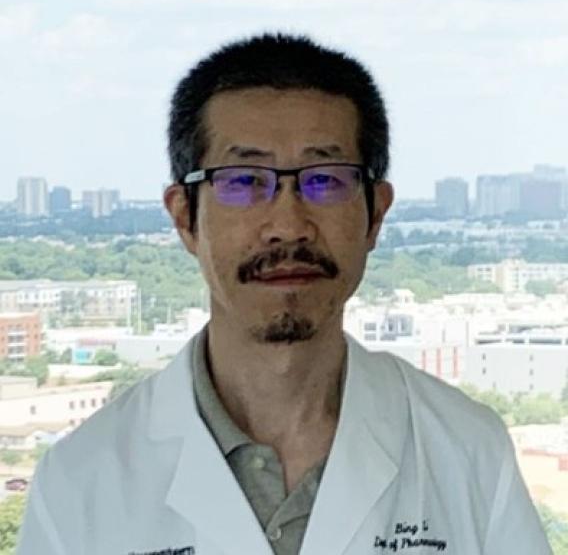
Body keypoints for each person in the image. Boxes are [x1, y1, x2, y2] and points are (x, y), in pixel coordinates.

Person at [17, 33, 551, 555]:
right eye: (244, 181)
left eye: (326, 180)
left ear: (376, 214)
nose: (288, 225)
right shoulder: (79, 482)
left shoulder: (469, 451)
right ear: (184, 217)